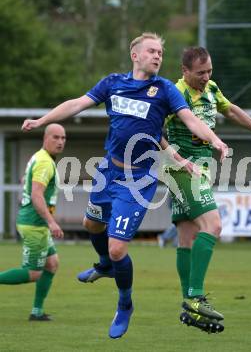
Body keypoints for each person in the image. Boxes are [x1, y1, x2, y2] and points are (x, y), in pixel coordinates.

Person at [21, 32, 228, 339]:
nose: (158, 56)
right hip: (107, 170)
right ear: (136, 55)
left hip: (137, 180)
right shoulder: (113, 83)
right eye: (152, 51)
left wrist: (215, 140)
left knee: (118, 249)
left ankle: (125, 303)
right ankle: (103, 265)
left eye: (160, 52)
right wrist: (40, 121)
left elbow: (190, 120)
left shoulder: (165, 90)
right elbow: (77, 103)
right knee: (91, 225)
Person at [160, 46, 251, 333]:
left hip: (199, 169)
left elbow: (230, 109)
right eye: (200, 73)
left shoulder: (211, 89)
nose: (206, 77)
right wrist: (179, 161)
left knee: (187, 236)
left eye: (209, 71)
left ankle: (189, 306)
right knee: (214, 225)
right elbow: (156, 132)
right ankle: (195, 298)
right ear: (184, 71)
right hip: (181, 170)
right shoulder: (173, 94)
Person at [0, 124, 66, 321]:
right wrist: (52, 222)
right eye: (56, 137)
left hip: (37, 223)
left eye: (63, 138)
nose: (60, 142)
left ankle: (36, 312)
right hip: (35, 224)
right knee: (34, 273)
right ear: (46, 138)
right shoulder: (45, 162)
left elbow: (26, 181)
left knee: (52, 264)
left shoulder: (39, 157)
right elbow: (37, 195)